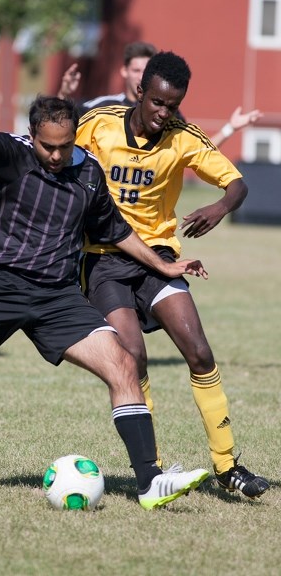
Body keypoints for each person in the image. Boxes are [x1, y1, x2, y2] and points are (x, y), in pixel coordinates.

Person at [0, 92, 210, 510]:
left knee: (123, 364)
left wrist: (162, 267)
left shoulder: (89, 172)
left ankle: (149, 482)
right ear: (32, 135)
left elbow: (114, 229)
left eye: (64, 145)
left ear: (75, 136)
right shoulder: (13, 154)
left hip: (57, 296)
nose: (55, 155)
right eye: (47, 146)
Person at [75, 51, 270, 499]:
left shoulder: (183, 136)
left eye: (174, 105)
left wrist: (220, 207)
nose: (165, 113)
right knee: (133, 358)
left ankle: (227, 467)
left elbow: (236, 183)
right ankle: (154, 469)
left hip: (158, 257)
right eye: (158, 103)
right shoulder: (99, 123)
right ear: (140, 93)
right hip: (103, 259)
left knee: (200, 352)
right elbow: (51, 152)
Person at [58, 41, 261, 145]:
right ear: (124, 71)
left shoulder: (167, 115)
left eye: (145, 71)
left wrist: (230, 128)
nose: (140, 76)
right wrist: (64, 93)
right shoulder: (102, 107)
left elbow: (198, 151)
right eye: (136, 70)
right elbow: (59, 127)